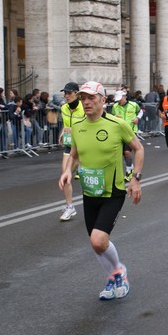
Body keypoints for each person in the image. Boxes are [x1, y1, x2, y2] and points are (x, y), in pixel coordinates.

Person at [58, 81, 144, 300]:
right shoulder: (78, 126)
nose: (86, 102)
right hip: (90, 192)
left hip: (112, 191)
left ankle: (119, 271)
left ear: (103, 101)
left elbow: (138, 148)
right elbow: (75, 154)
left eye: (91, 98)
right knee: (96, 244)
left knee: (98, 240)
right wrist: (67, 171)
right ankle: (111, 277)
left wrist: (135, 179)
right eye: (83, 98)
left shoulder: (117, 124)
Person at [59, 82, 86, 221]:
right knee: (65, 175)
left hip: (83, 146)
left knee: (90, 177)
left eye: (69, 93)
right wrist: (63, 132)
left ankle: (96, 203)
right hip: (70, 145)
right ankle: (70, 207)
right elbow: (66, 124)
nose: (66, 96)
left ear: (76, 93)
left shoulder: (84, 107)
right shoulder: (63, 108)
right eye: (65, 93)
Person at [112, 89, 143, 180]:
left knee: (127, 152)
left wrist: (137, 118)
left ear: (125, 97)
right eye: (117, 100)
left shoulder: (133, 105)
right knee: (121, 153)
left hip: (131, 131)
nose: (119, 102)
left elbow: (141, 111)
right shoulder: (115, 106)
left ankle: (129, 171)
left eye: (120, 99)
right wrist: (114, 117)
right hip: (119, 132)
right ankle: (130, 168)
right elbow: (112, 116)